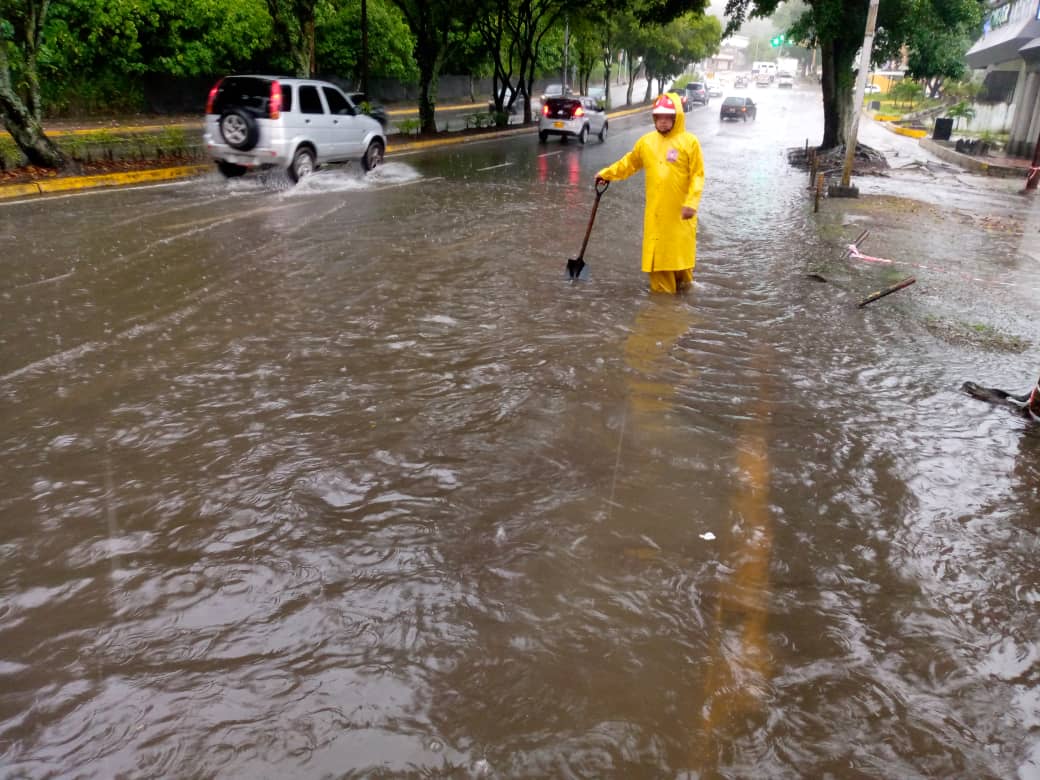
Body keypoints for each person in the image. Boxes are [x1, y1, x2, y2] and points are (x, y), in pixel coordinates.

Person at [595, 92, 705, 294]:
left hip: (681, 217)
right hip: (657, 219)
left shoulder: (690, 143)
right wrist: (607, 174)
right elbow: (628, 163)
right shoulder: (646, 143)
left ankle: (675, 315)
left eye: (667, 117)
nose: (662, 122)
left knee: (683, 274)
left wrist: (691, 203)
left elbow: (698, 175)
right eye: (659, 117)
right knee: (661, 275)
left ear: (676, 118)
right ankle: (665, 318)